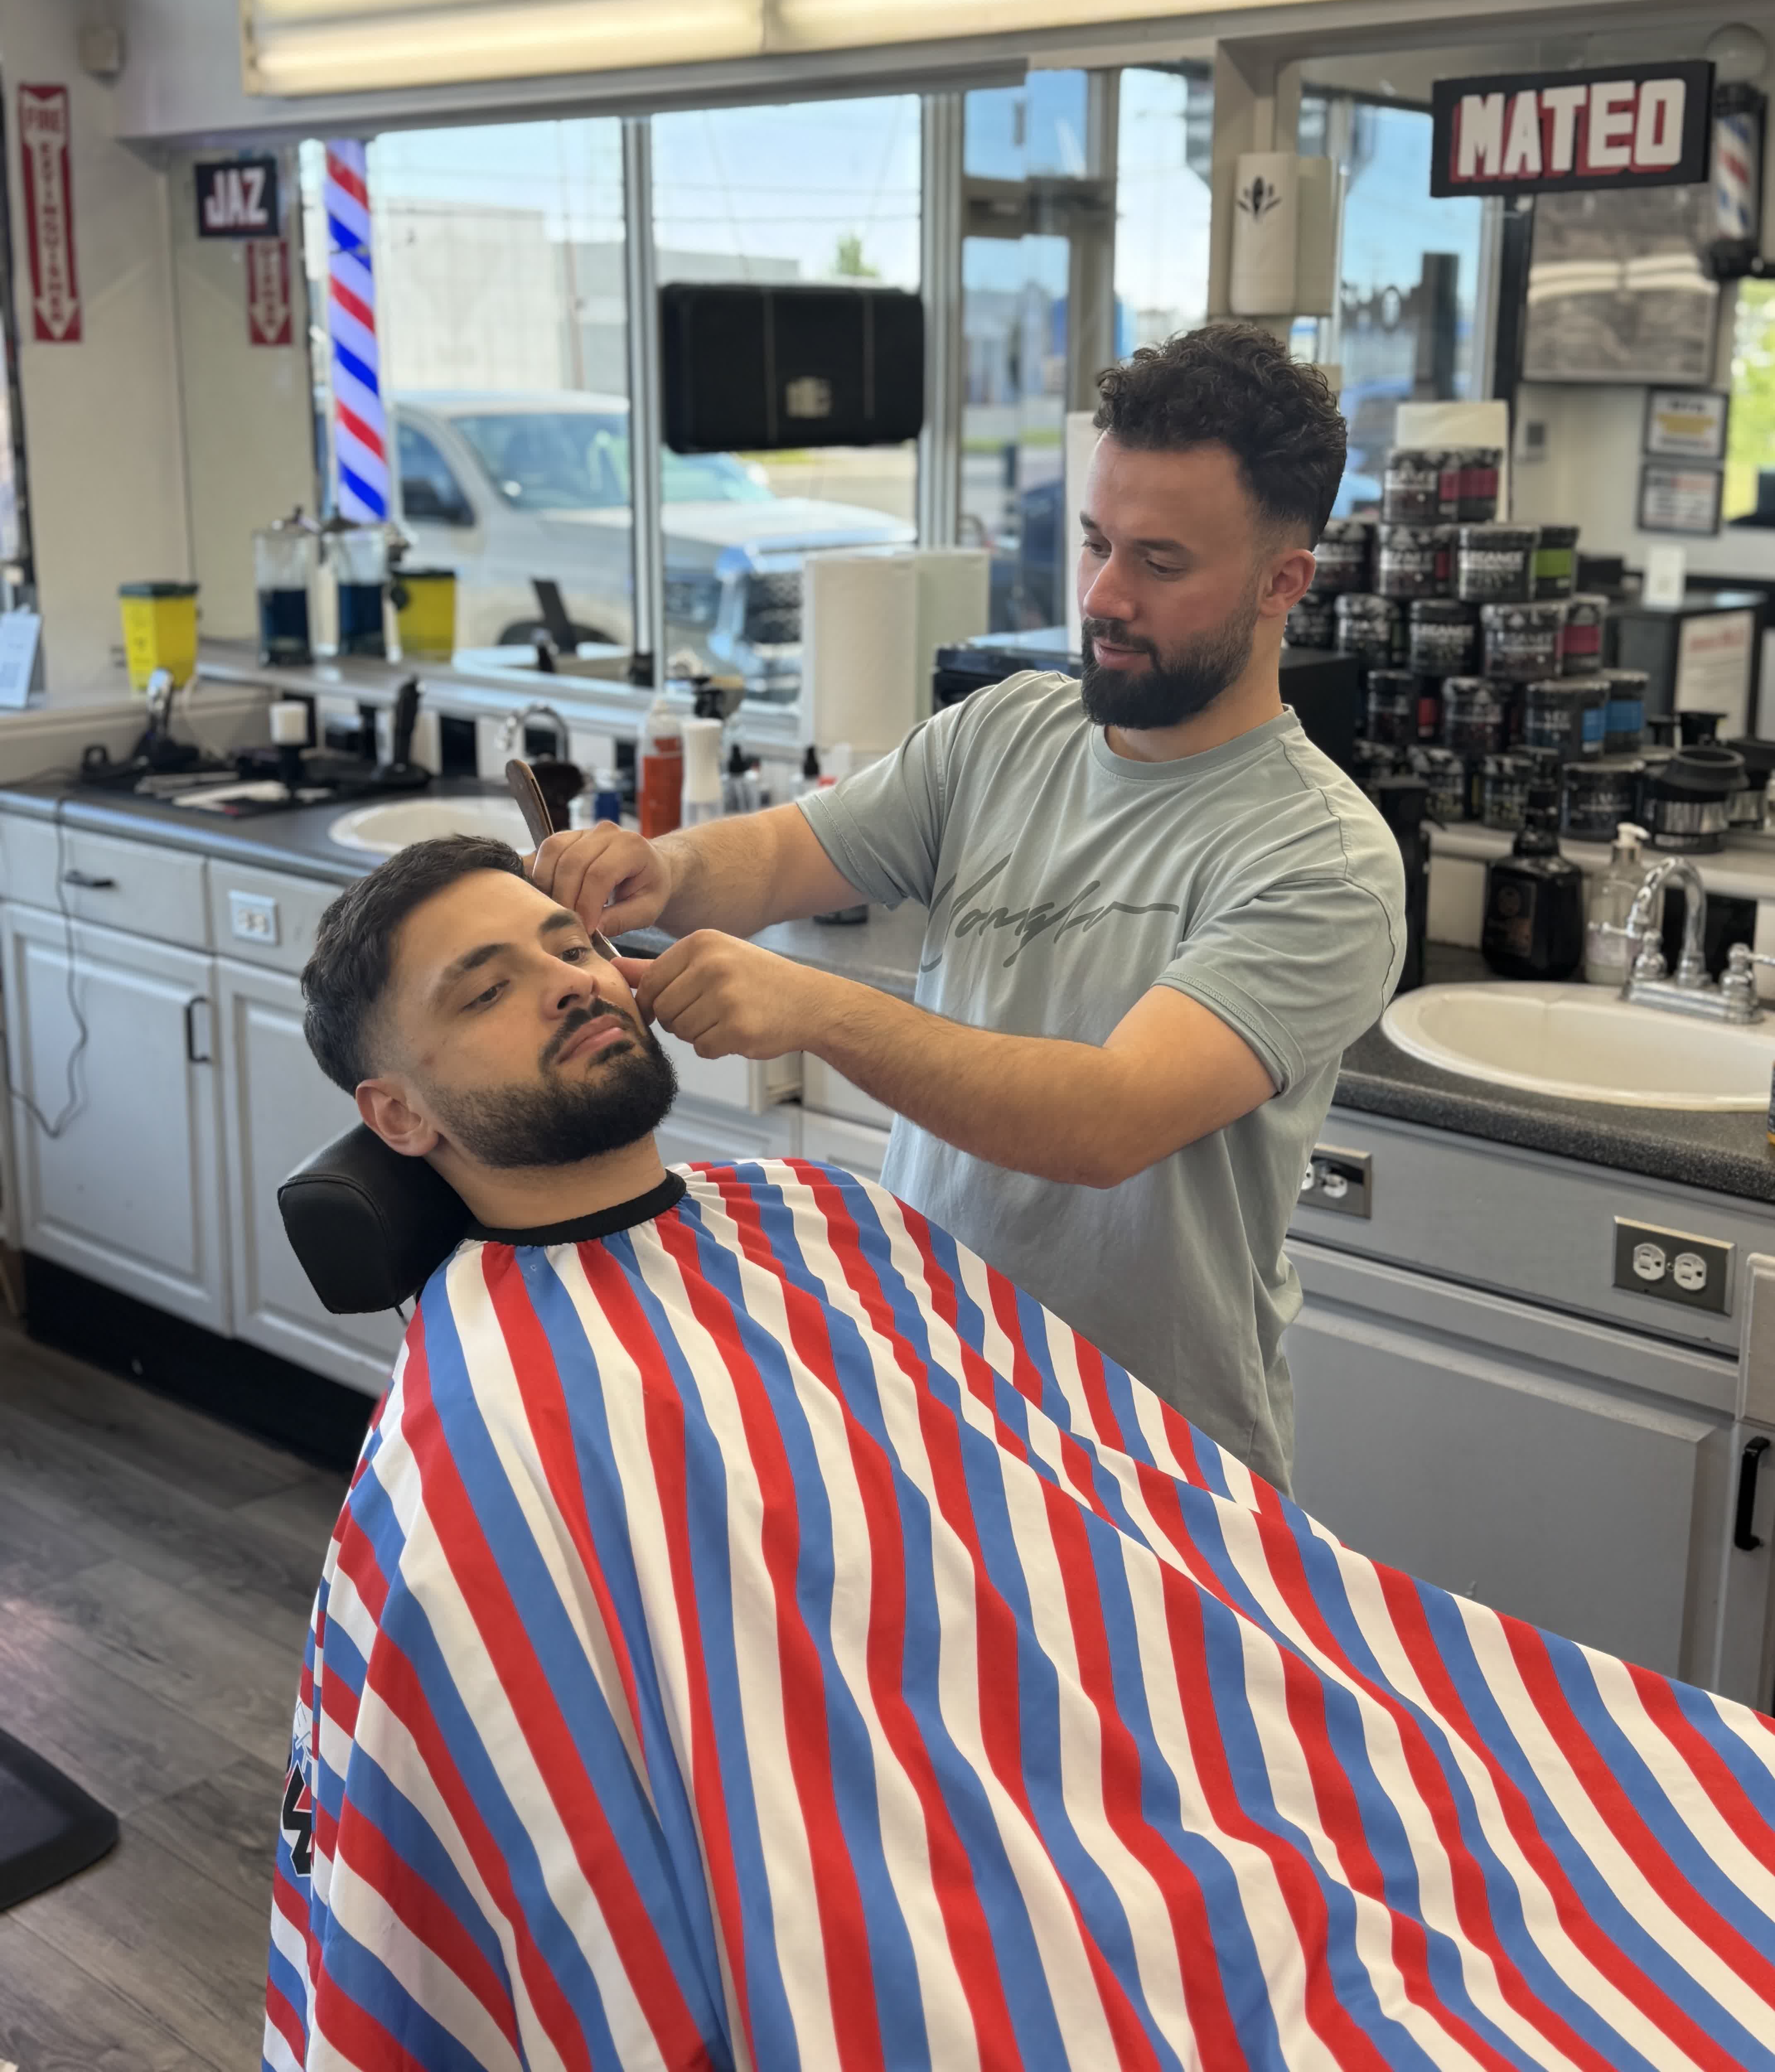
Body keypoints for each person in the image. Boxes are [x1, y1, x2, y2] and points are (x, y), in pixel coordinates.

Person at [266, 837, 1775, 2072]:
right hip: (951, 1867)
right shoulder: (497, 1429)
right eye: (490, 988)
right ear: (395, 1115)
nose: (572, 980)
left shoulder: (810, 1211)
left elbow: (1106, 1515)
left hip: (1164, 1741)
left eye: (570, 945)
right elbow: (551, 1832)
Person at [532, 322, 1406, 1491]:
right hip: (936, 1392)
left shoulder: (1320, 859)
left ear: (1280, 582)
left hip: (1151, 1457)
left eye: (1159, 563)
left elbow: (1105, 1124)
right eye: (1094, 542)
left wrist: (818, 1010)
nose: (1103, 595)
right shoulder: (1006, 734)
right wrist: (664, 869)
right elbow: (788, 852)